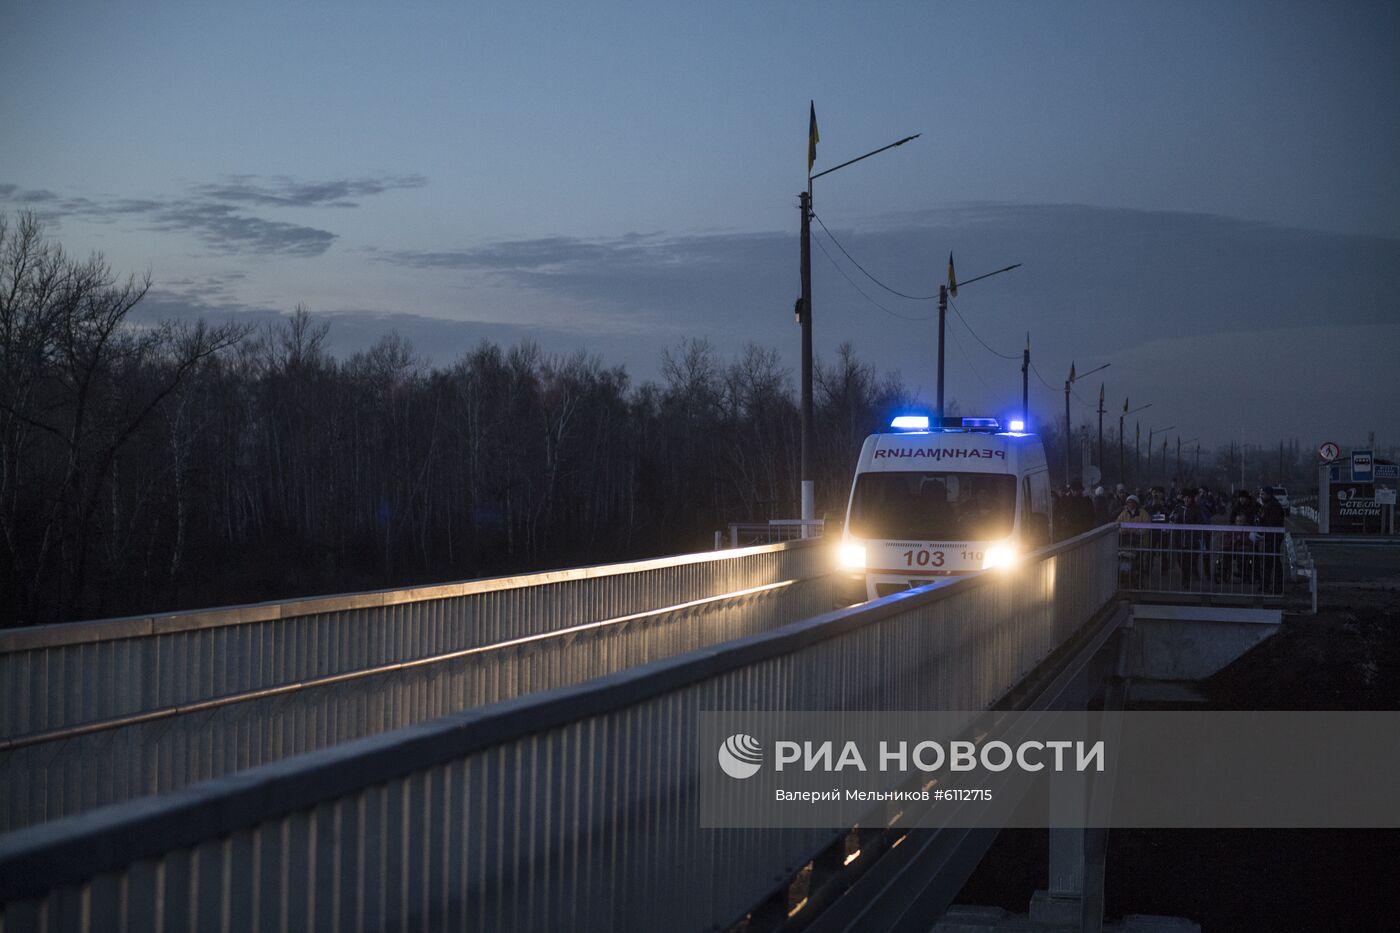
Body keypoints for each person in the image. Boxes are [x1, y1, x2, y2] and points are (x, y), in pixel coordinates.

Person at [1169, 488, 1210, 589]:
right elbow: (1171, 518)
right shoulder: (1178, 507)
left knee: (1189, 560)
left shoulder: (1197, 509)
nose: (1187, 500)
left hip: (1191, 540)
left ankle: (1186, 581)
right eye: (1185, 498)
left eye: (1189, 498)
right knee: (1181, 560)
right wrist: (1173, 520)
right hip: (1179, 539)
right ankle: (1186, 576)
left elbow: (1202, 522)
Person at [1257, 486, 1288, 591]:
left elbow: (1271, 522)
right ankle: (1270, 585)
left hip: (1272, 537)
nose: (1261, 496)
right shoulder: (1270, 505)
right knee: (1271, 562)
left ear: (1269, 494)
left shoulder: (1273, 506)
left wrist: (1261, 524)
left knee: (1271, 562)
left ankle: (1273, 586)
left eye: (1263, 494)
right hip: (1271, 537)